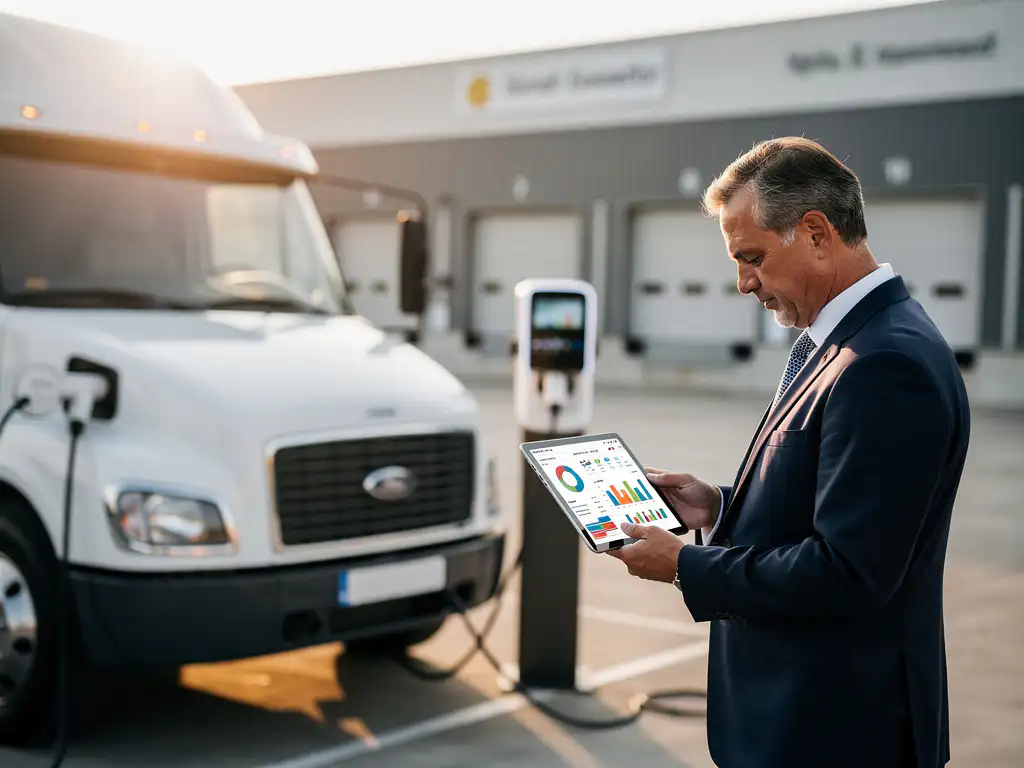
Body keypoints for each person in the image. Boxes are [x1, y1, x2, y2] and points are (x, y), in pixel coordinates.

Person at [608, 136, 971, 768]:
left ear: (815, 232)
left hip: (836, 732)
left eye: (751, 257)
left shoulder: (883, 364)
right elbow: (829, 506)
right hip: (810, 721)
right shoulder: (850, 342)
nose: (743, 283)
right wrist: (718, 507)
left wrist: (685, 568)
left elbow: (850, 573)